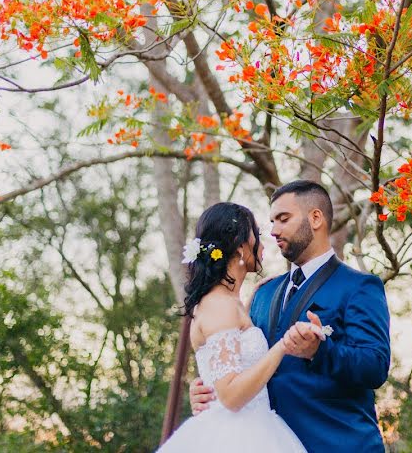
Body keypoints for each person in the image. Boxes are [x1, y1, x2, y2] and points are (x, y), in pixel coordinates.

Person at [189, 180, 392, 453]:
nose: (273, 231)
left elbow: (375, 366)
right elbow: (238, 364)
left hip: (339, 444)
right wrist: (208, 390)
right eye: (272, 221)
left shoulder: (359, 286)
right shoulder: (263, 293)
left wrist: (320, 350)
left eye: (283, 219)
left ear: (316, 218)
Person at [157, 202, 318, 453]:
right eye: (258, 236)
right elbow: (231, 396)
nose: (263, 245)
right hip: (236, 437)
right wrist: (283, 346)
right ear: (240, 246)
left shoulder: (235, 304)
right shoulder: (219, 306)